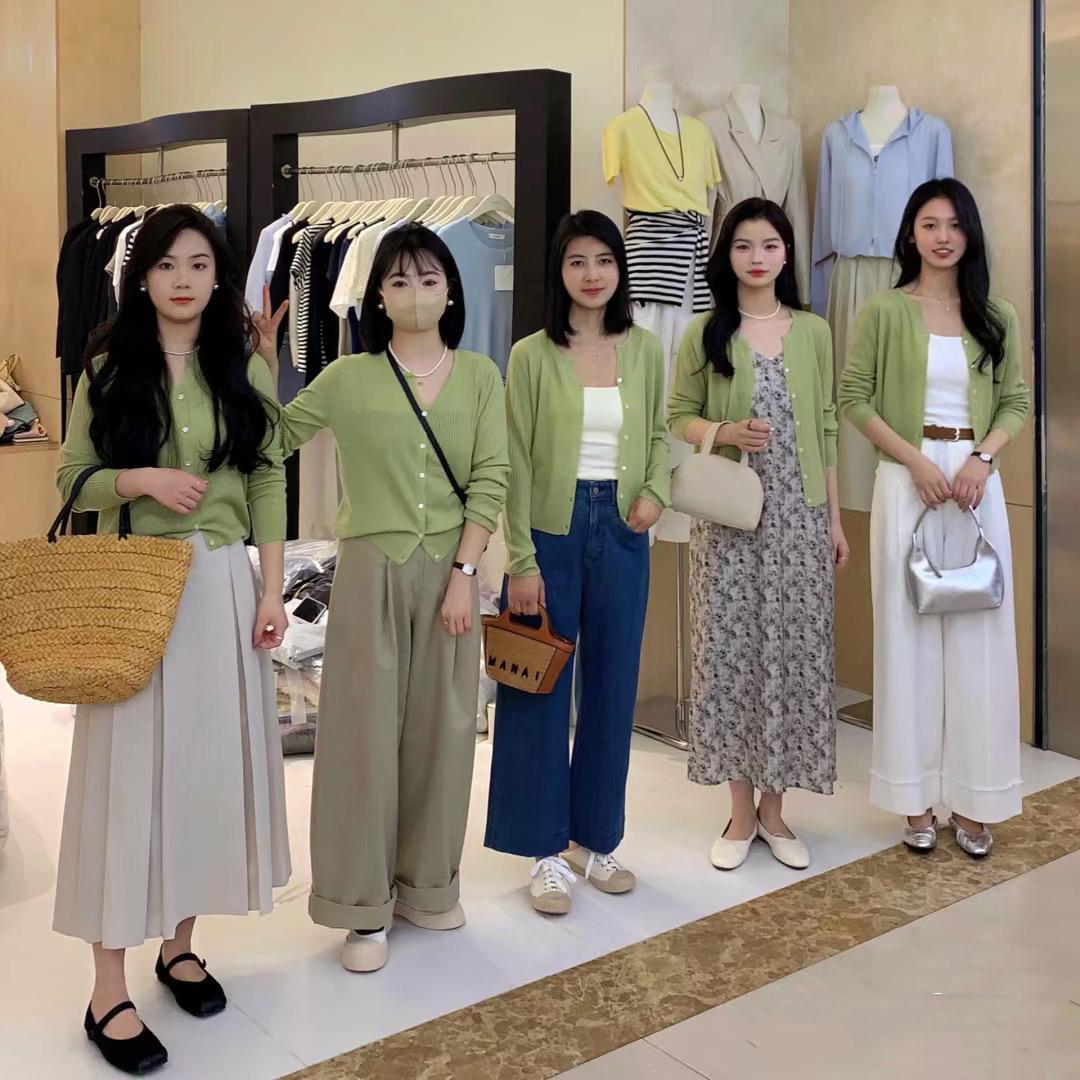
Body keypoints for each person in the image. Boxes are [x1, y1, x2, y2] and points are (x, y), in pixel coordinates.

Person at [54, 204, 291, 1075]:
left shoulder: (243, 366)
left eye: (198, 263)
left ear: (218, 274)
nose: (183, 279)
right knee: (123, 785)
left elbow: (268, 479)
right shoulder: (108, 367)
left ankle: (180, 946)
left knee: (203, 775)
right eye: (166, 264)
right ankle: (105, 989)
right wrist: (140, 479)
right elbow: (69, 481)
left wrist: (273, 587)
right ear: (141, 276)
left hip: (224, 588)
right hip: (136, 591)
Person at [279, 224, 509, 972]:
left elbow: (492, 477)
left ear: (452, 290)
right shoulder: (348, 377)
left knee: (445, 731)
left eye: (429, 278)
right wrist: (250, 360)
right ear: (376, 295)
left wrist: (465, 574)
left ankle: (427, 884)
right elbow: (271, 437)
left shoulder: (481, 376)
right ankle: (361, 907)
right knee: (362, 739)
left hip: (450, 573)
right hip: (370, 569)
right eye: (400, 280)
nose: (415, 293)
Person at [838, 178, 1030, 857]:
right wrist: (915, 462)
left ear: (969, 233)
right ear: (910, 234)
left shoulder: (997, 315)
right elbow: (853, 398)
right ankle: (913, 797)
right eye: (929, 223)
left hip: (977, 487)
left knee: (980, 641)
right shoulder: (885, 310)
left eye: (954, 224)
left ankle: (977, 799)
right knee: (907, 640)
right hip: (906, 482)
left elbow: (1015, 400)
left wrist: (982, 458)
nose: (942, 236)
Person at [485, 210, 669, 914]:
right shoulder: (531, 355)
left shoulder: (644, 349)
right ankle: (544, 850)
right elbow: (516, 460)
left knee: (613, 686)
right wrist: (521, 558)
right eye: (577, 261)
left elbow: (658, 435)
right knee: (538, 686)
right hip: (550, 532)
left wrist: (655, 492)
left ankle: (593, 840)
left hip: (623, 528)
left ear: (619, 270)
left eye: (604, 261)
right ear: (558, 272)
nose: (592, 275)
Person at [668, 197, 846, 872]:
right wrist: (723, 431)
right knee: (731, 655)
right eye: (743, 245)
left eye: (769, 245)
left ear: (786, 254)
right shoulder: (705, 332)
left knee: (795, 655)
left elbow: (826, 426)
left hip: (800, 518)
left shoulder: (814, 331)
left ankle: (776, 811)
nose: (757, 257)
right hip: (730, 519)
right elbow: (676, 416)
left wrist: (834, 520)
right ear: (727, 255)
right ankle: (740, 813)